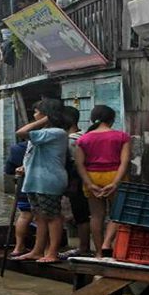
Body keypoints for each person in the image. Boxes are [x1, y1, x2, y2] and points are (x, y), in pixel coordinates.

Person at [13, 100, 69, 264]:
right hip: (35, 180)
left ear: (46, 115)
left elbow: (21, 132)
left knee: (52, 217)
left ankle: (52, 252)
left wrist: (44, 120)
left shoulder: (56, 132)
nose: (34, 115)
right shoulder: (44, 132)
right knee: (39, 217)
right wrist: (24, 166)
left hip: (48, 180)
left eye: (37, 112)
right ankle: (37, 251)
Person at [75, 105, 132, 258]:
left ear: (93, 119)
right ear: (112, 119)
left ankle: (99, 253)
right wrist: (115, 183)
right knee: (117, 214)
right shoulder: (122, 136)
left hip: (92, 176)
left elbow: (79, 164)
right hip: (114, 175)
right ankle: (108, 243)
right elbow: (124, 162)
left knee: (96, 215)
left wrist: (89, 184)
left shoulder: (83, 139)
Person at [60, 105, 92, 257]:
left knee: (79, 215)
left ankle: (83, 247)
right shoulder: (85, 135)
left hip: (76, 182)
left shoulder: (70, 141)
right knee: (84, 214)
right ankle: (83, 246)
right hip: (87, 180)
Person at [4, 140, 33, 256]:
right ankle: (44, 249)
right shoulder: (46, 144)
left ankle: (19, 247)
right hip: (40, 186)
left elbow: (9, 170)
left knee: (24, 215)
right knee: (43, 218)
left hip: (22, 186)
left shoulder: (17, 148)